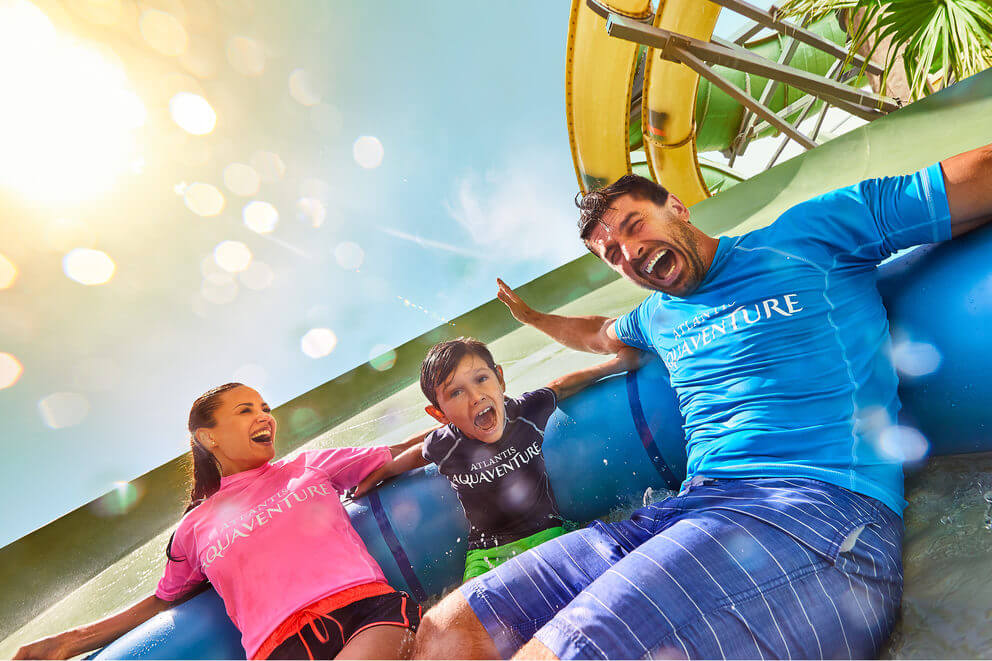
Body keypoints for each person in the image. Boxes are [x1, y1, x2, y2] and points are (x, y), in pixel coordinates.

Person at [414, 143, 992, 660]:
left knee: (565, 652)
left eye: (635, 225)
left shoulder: (809, 233)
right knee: (446, 630)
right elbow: (597, 332)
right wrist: (535, 319)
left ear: (678, 206)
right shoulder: (657, 317)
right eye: (613, 255)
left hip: (817, 514)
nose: (631, 254)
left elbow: (965, 179)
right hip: (689, 510)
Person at [15, 383, 422, 661]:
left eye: (265, 408)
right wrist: (69, 641)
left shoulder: (307, 466)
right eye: (246, 410)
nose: (265, 416)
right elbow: (165, 599)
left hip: (364, 614)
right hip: (275, 649)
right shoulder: (193, 528)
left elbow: (402, 450)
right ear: (208, 437)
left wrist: (473, 407)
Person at [355, 337, 646, 581]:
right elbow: (412, 457)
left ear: (501, 379)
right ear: (440, 415)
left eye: (481, 379)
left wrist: (618, 364)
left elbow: (561, 386)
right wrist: (376, 476)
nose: (476, 396)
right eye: (456, 392)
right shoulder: (446, 443)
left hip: (549, 533)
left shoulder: (525, 413)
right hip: (486, 556)